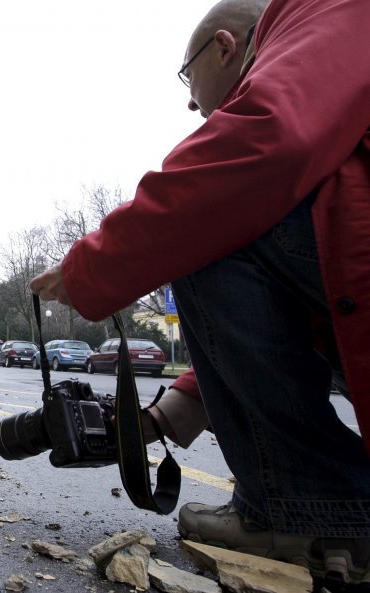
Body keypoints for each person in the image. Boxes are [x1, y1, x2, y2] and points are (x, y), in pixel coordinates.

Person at [31, 0, 370, 584]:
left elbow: (261, 148)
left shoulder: (324, 9)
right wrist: (173, 411)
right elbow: (302, 298)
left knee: (210, 225)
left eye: (188, 76)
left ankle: (314, 506)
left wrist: (92, 268)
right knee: (230, 220)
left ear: (224, 47)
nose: (190, 101)